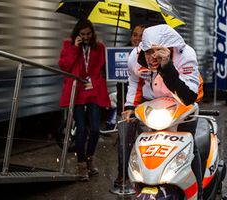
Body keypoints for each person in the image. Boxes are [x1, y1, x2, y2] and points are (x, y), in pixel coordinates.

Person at [122, 24, 204, 199]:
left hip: (183, 103)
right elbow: (134, 81)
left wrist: (167, 66)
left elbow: (188, 96)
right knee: (143, 146)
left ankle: (198, 193)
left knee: (189, 146)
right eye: (148, 51)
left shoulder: (185, 55)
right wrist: (129, 106)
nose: (152, 57)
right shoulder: (135, 56)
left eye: (157, 51)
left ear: (169, 48)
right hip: (154, 106)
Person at [58, 19, 111, 181]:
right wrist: (75, 48)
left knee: (95, 129)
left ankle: (90, 159)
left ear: (92, 33)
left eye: (89, 34)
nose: (86, 37)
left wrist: (94, 82)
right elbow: (65, 66)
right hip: (77, 91)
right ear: (77, 34)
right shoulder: (69, 44)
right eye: (83, 34)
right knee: (81, 129)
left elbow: (101, 68)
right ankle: (81, 165)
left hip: (93, 91)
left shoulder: (99, 46)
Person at [111, 25, 146, 188]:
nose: (137, 38)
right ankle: (122, 175)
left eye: (141, 35)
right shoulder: (121, 53)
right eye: (135, 35)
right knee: (124, 142)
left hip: (146, 108)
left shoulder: (151, 55)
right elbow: (110, 74)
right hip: (125, 106)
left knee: (144, 143)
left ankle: (143, 176)